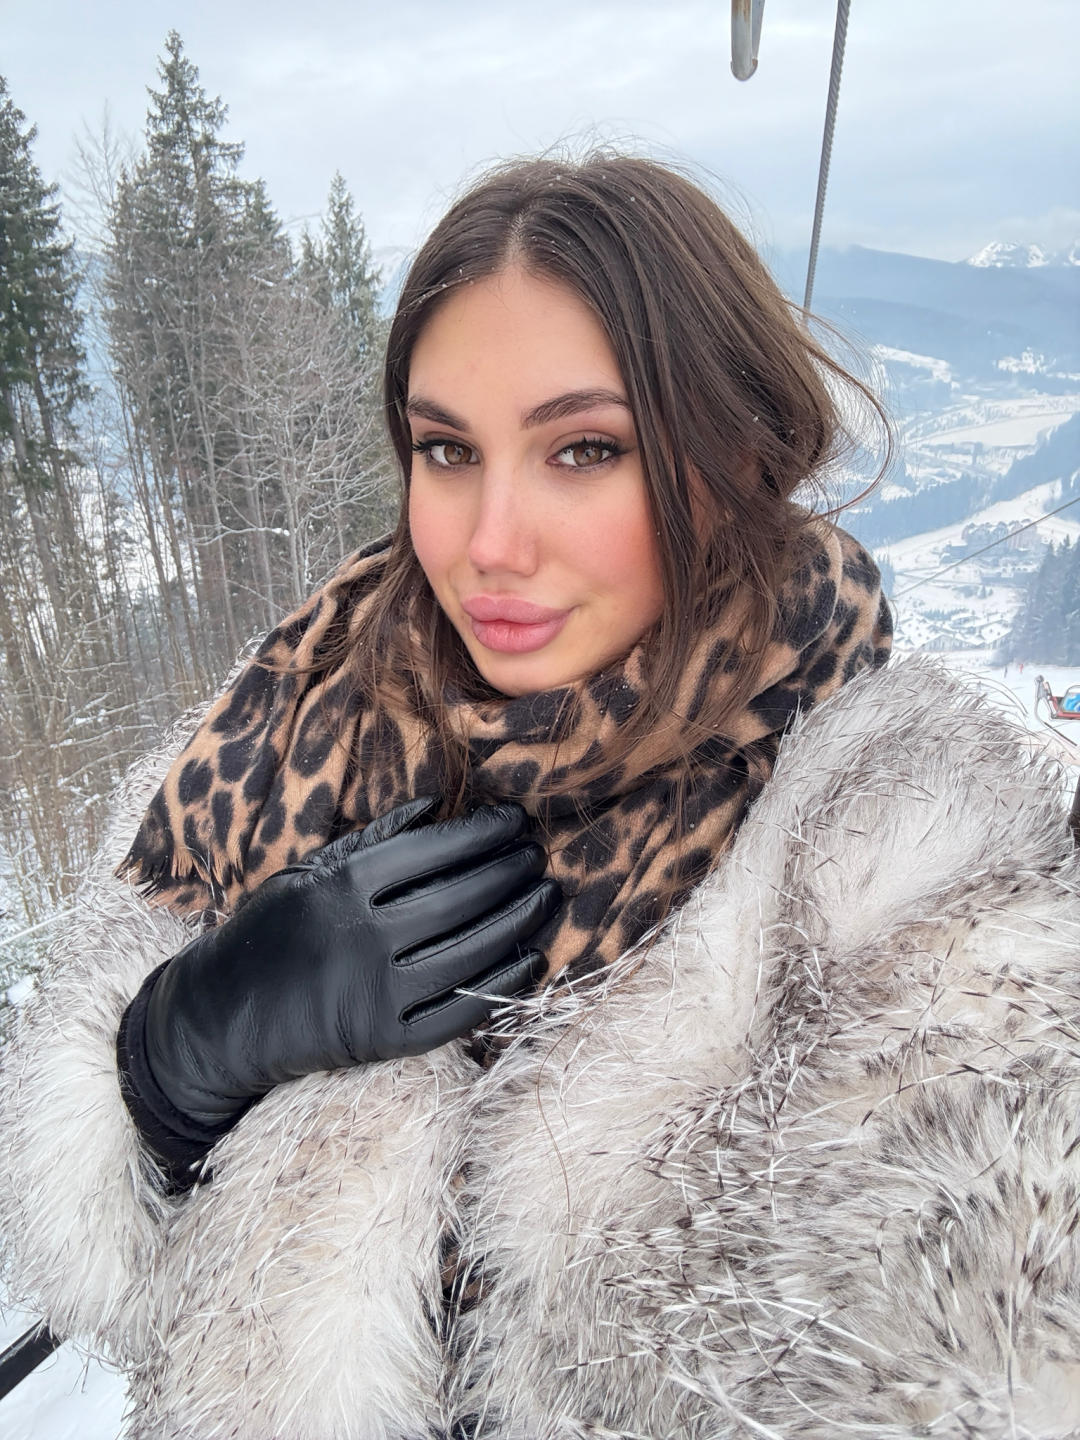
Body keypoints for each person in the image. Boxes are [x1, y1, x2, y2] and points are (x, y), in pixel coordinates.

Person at [2, 153, 1079, 1439]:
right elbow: (129, 1293)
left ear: (737, 454)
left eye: (583, 449)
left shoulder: (899, 863)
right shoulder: (296, 716)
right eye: (446, 449)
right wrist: (176, 1054)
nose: (489, 542)